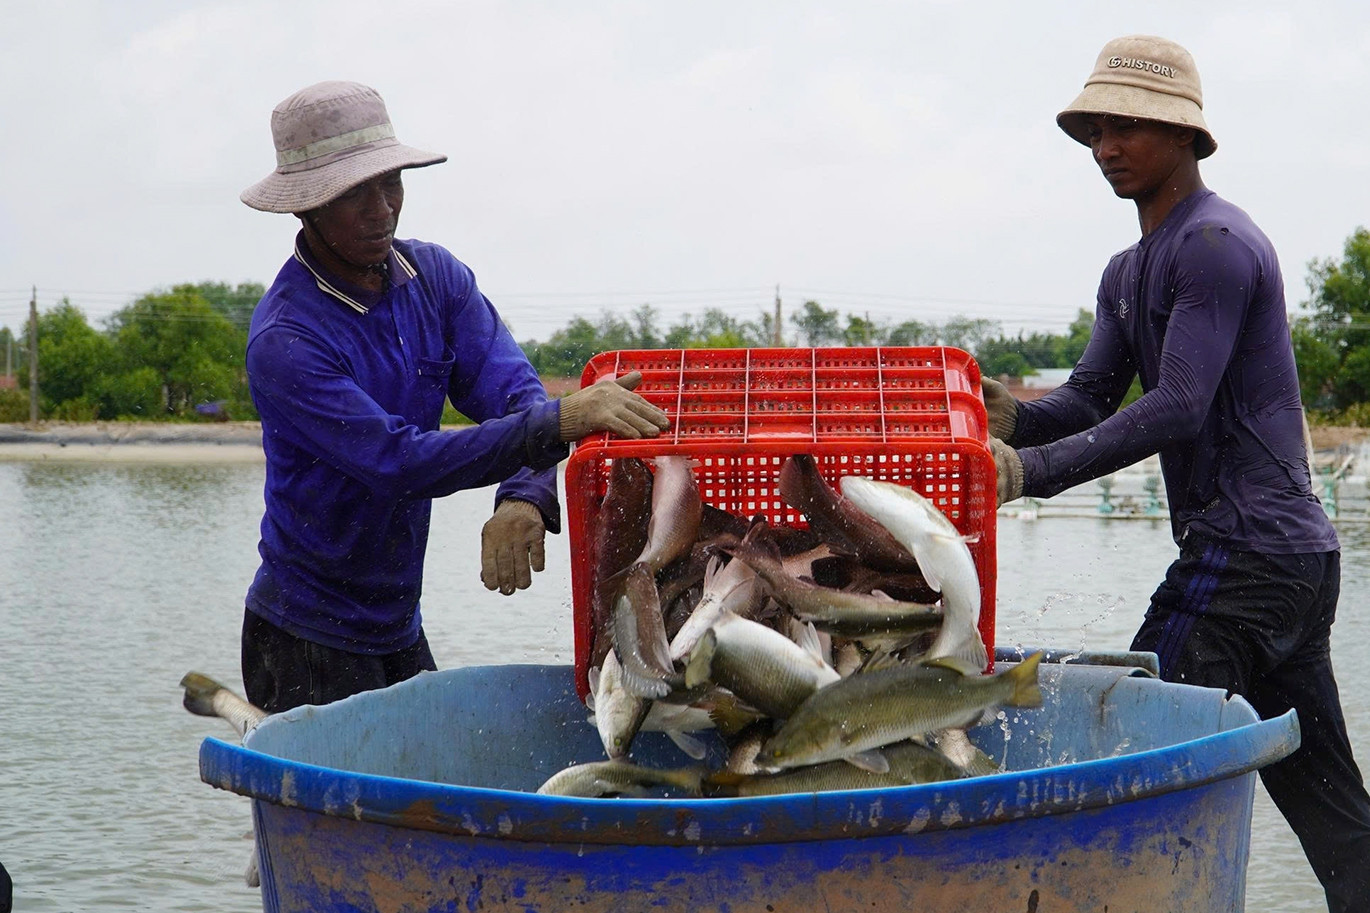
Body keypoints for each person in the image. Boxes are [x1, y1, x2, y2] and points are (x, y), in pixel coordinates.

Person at [984, 35, 1370, 911]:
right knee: (1328, 804)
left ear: (1186, 137)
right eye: (1095, 129)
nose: (1107, 147)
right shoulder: (1127, 273)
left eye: (1129, 126)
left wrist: (1027, 472)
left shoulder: (1217, 244)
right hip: (1290, 563)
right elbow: (1086, 398)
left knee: (1138, 743)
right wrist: (1008, 417)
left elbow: (1180, 404)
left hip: (1250, 551)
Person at [238, 81, 668, 714]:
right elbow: (399, 462)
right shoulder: (288, 339)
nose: (382, 208)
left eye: (390, 183)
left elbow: (517, 395)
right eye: (353, 194)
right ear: (307, 208)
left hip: (396, 624)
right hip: (306, 636)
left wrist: (525, 495)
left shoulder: (434, 280)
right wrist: (565, 419)